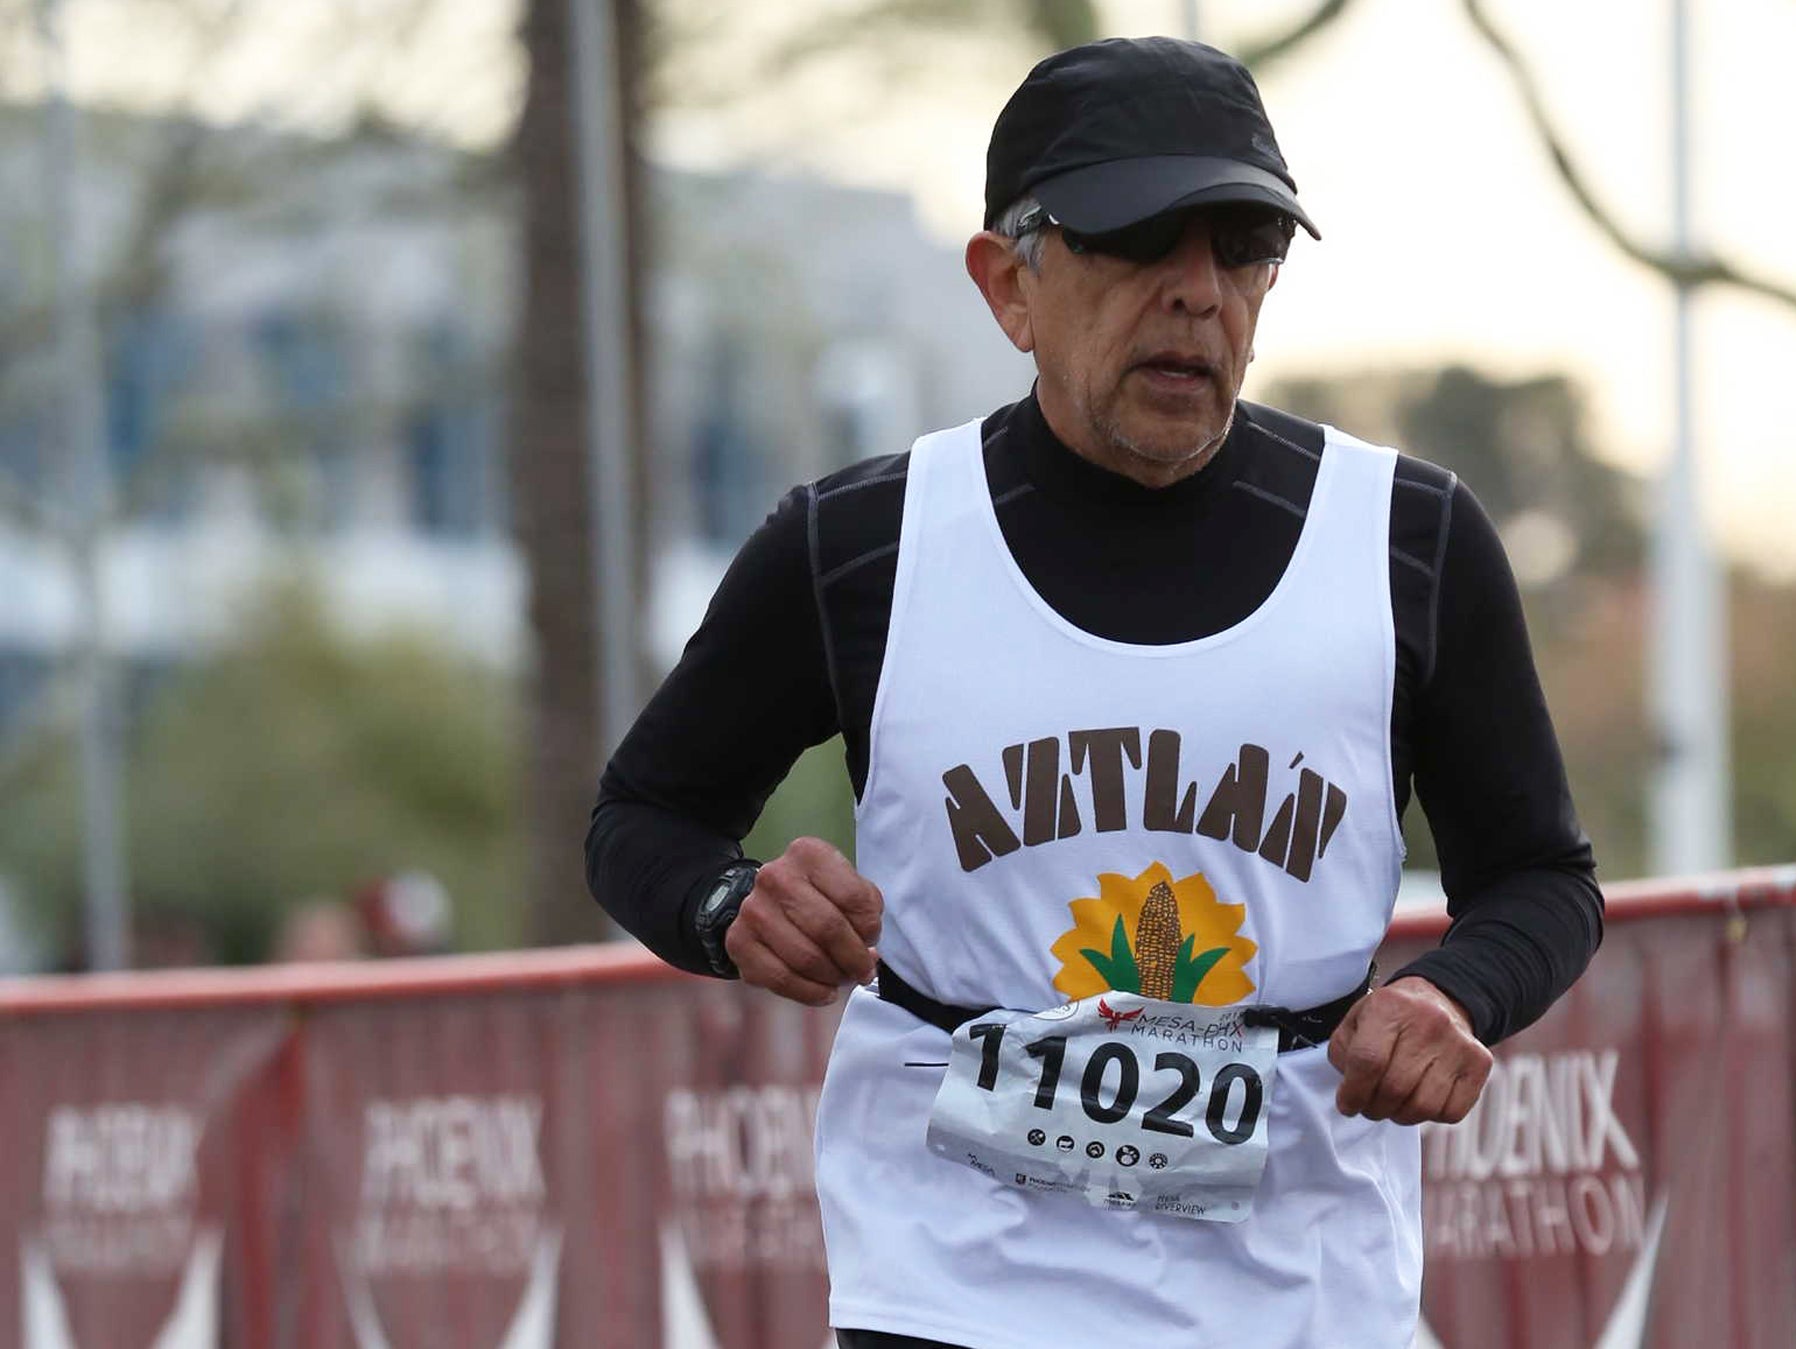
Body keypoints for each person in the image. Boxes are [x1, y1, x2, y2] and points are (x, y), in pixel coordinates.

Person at [588, 36, 1602, 1349]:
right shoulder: (863, 546)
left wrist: (1452, 995)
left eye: (1243, 245)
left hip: (1303, 1296)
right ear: (1009, 283)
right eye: (1137, 238)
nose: (1196, 292)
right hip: (952, 1289)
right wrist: (728, 907)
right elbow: (642, 819)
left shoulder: (1407, 541)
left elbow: (1543, 878)